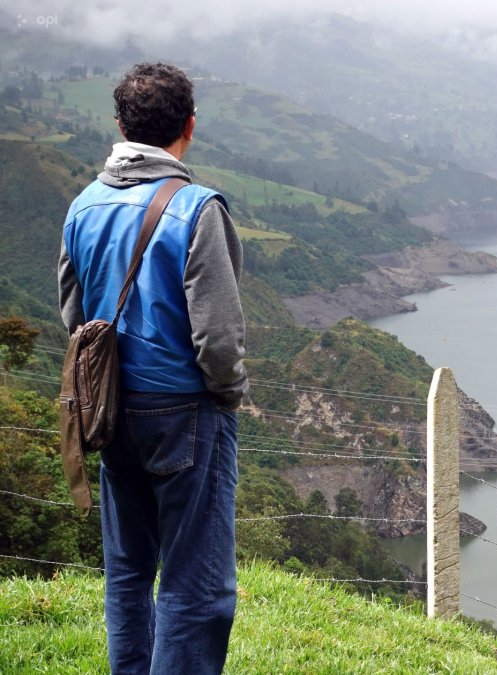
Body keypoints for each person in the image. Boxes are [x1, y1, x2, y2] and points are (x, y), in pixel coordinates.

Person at [58, 62, 247, 674]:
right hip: (186, 414)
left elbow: (74, 314)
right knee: (197, 583)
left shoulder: (83, 205)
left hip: (109, 412)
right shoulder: (197, 209)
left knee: (129, 570)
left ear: (119, 125)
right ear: (189, 127)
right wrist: (230, 392)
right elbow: (216, 337)